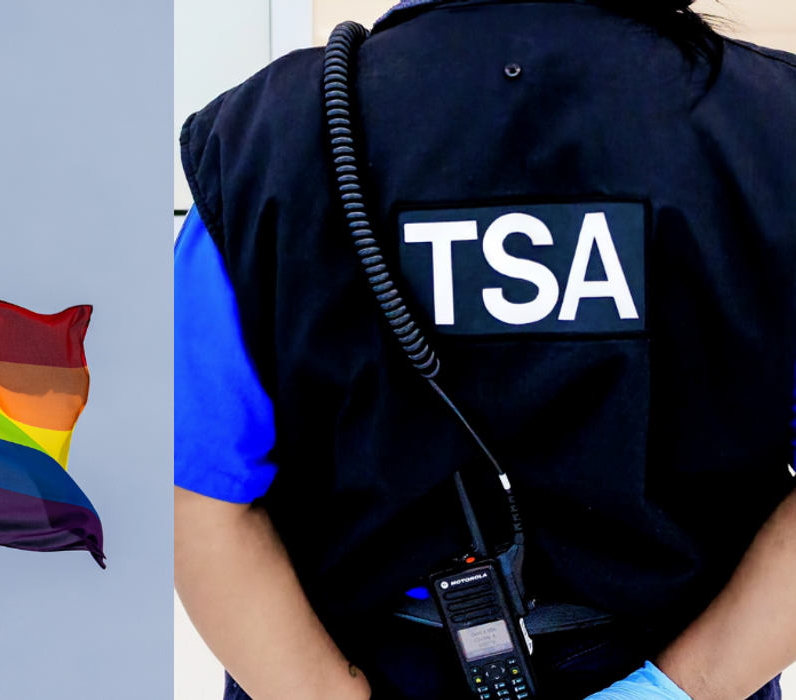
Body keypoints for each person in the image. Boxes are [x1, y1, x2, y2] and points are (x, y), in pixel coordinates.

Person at [174, 1, 796, 699]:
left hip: (353, 661)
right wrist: (682, 689)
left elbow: (201, 496)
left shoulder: (263, 140)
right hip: (693, 659)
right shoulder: (774, 126)